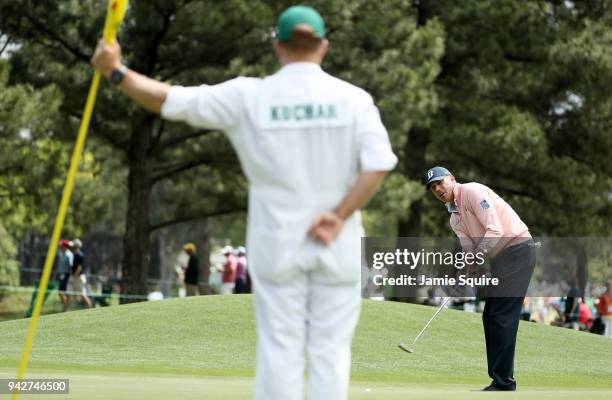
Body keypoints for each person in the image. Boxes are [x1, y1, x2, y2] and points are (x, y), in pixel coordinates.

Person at [91, 5, 396, 399]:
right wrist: (338, 217)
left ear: (277, 46)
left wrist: (116, 71)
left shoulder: (249, 95)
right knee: (331, 354)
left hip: (278, 246)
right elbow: (378, 166)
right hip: (337, 247)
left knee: (279, 352)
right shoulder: (354, 99)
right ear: (323, 46)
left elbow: (170, 100)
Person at [425, 166, 535, 391]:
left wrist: (474, 259)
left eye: (440, 182)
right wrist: (467, 271)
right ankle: (500, 378)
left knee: (500, 315)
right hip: (501, 259)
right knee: (490, 315)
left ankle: (504, 382)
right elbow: (469, 251)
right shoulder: (454, 219)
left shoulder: (474, 192)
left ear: (452, 179)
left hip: (518, 250)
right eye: (432, 187)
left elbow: (494, 231)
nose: (437, 188)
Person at [69, 238, 93, 309]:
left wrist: (74, 276)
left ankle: (89, 307)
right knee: (76, 294)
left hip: (79, 277)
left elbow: (79, 267)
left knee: (83, 294)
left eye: (73, 245)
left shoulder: (79, 255)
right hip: (76, 276)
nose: (72, 247)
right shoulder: (75, 254)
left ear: (76, 246)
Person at [57, 240, 74, 312]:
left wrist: (71, 277)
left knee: (66, 293)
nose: (60, 247)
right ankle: (65, 308)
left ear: (65, 247)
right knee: (60, 292)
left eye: (61, 246)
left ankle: (66, 308)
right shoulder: (61, 253)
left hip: (67, 275)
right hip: (62, 275)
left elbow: (71, 266)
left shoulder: (69, 255)